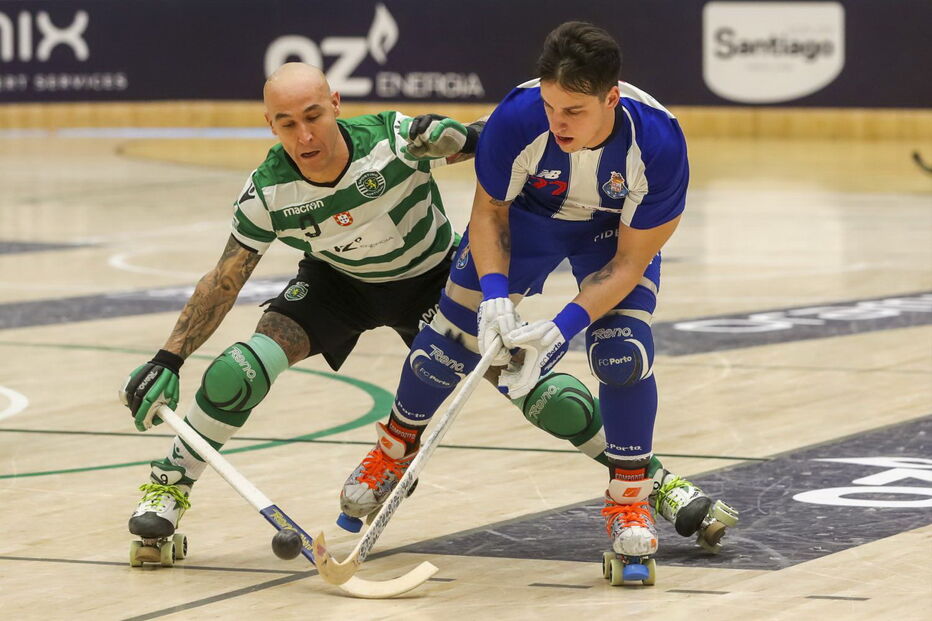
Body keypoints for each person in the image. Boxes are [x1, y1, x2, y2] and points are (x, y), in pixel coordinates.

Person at [119, 61, 725, 557]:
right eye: (286, 124)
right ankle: (166, 489)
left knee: (547, 396)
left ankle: (653, 480)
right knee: (237, 371)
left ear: (335, 103)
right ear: (269, 124)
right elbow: (225, 280)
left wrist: (460, 135)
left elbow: (498, 140)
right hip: (337, 284)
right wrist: (169, 357)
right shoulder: (267, 192)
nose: (304, 136)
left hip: (431, 279)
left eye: (313, 116)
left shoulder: (393, 139)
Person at [340, 23, 738, 563]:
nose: (558, 122)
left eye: (574, 111)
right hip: (530, 218)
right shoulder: (519, 116)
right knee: (450, 335)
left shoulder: (660, 144)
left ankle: (629, 502)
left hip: (609, 233)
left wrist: (560, 330)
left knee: (623, 355)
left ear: (611, 99)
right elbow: (489, 213)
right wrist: (498, 296)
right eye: (552, 107)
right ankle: (393, 449)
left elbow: (629, 261)